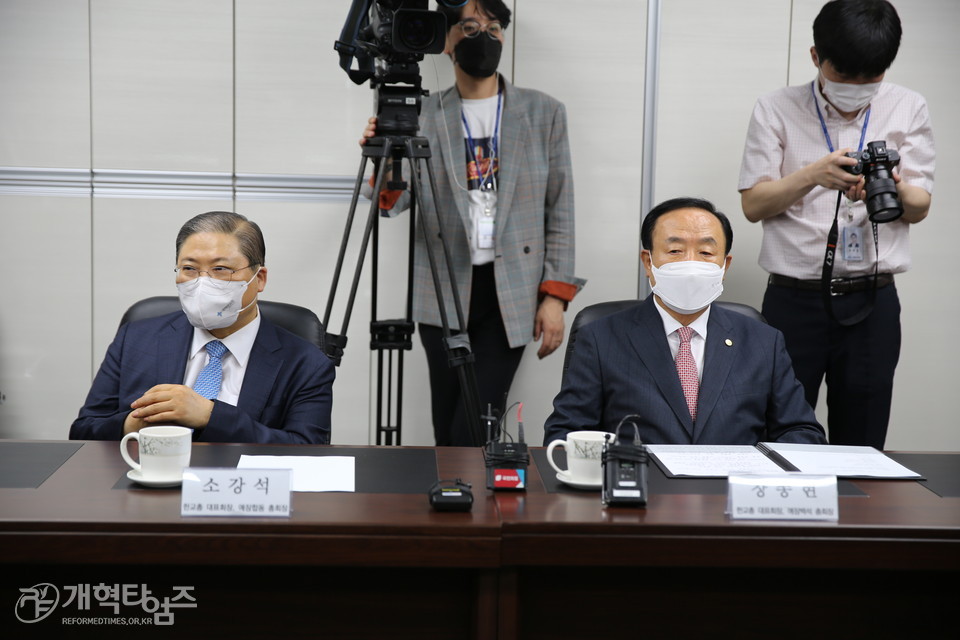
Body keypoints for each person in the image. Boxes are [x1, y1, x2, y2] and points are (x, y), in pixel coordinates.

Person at [361, 0, 584, 446]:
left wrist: (555, 296)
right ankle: (452, 508)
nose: (485, 36)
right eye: (469, 26)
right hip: (441, 289)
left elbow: (560, 207)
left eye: (494, 26)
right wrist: (383, 157)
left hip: (512, 292)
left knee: (476, 422)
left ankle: (470, 506)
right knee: (446, 423)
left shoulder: (544, 112)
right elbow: (391, 204)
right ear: (446, 42)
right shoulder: (423, 113)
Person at [738, 0, 935, 449]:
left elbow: (920, 206)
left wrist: (892, 187)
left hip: (872, 299)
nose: (858, 87)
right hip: (793, 299)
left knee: (863, 443)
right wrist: (813, 175)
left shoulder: (908, 106)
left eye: (872, 77)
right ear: (815, 58)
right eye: (845, 76)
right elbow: (753, 204)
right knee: (781, 434)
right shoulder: (776, 108)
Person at [543, 197, 826, 446]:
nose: (691, 265)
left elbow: (800, 430)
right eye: (675, 251)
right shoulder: (601, 338)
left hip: (730, 496)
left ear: (724, 266)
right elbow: (566, 433)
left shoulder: (763, 341)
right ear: (648, 262)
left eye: (705, 253)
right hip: (640, 497)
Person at [70, 211, 335, 444]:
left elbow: (307, 450)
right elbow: (83, 432)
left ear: (259, 278)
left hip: (240, 494)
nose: (202, 283)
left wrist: (210, 416)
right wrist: (134, 424)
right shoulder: (136, 339)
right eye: (189, 268)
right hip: (148, 489)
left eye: (221, 269)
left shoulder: (306, 362)